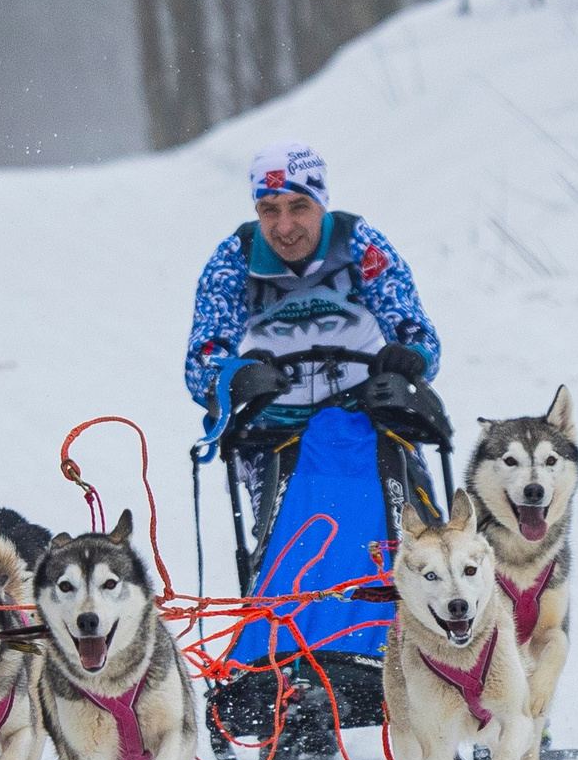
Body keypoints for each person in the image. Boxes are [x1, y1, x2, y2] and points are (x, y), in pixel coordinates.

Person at [184, 138, 445, 565]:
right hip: (274, 425)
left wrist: (410, 356)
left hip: (368, 411)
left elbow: (413, 326)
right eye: (269, 210)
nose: (284, 227)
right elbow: (203, 357)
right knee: (294, 546)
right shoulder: (234, 259)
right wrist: (233, 374)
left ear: (322, 203)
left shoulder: (360, 244)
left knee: (416, 534)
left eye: (298, 207)